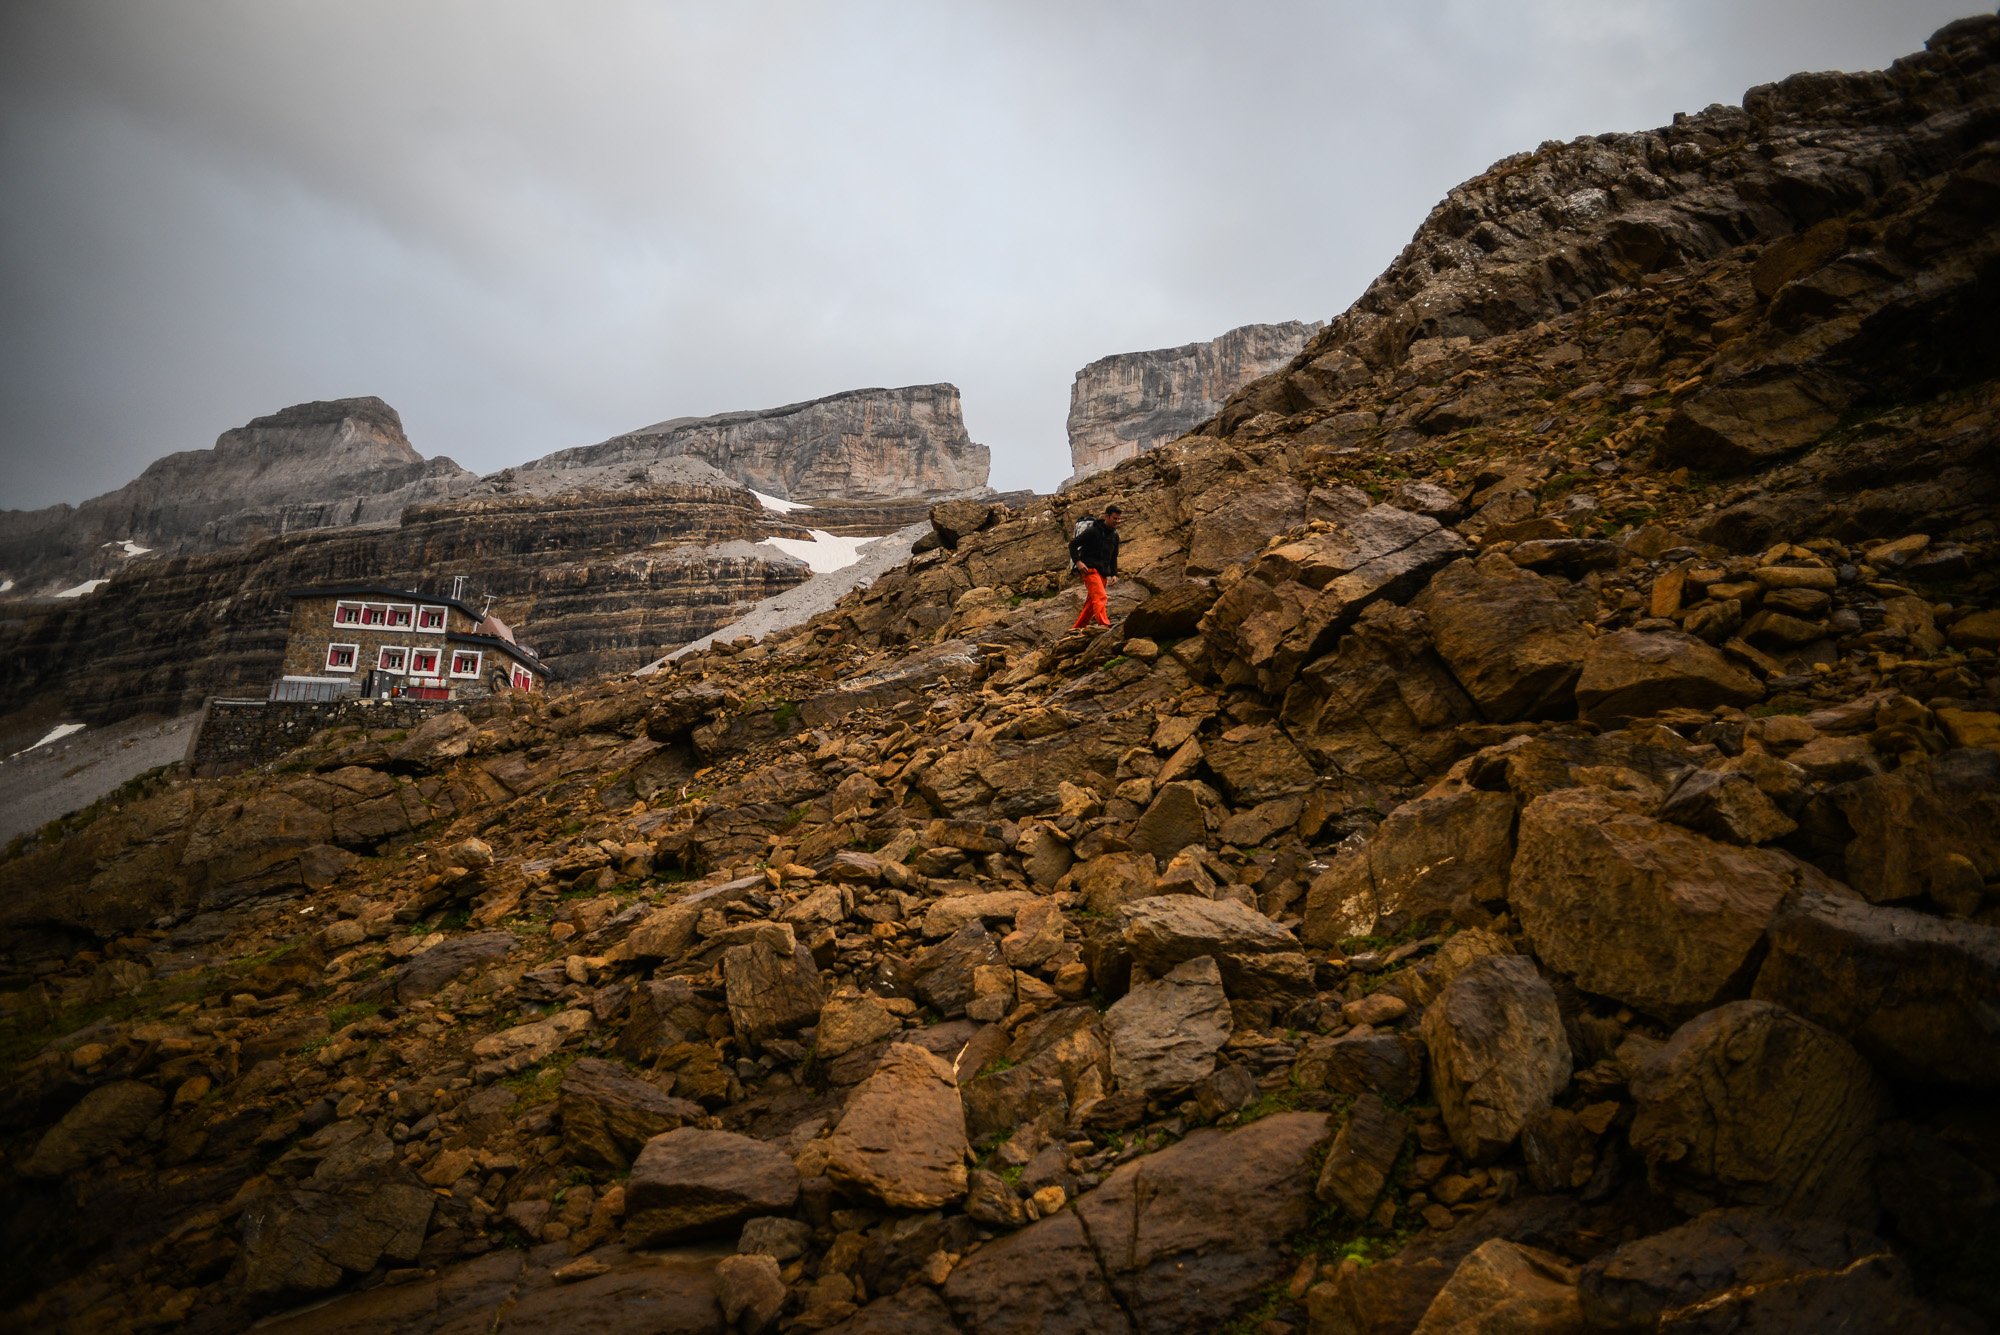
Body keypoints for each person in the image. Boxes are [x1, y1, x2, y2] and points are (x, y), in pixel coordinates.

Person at [1068, 504, 1122, 630]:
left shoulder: (1115, 536)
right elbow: (1072, 545)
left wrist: (1114, 574)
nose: (1117, 521)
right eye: (1115, 518)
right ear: (1106, 517)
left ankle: (1076, 629)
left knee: (1090, 605)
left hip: (1103, 573)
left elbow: (1113, 557)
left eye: (1119, 519)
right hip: (1090, 570)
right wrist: (1078, 562)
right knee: (1101, 597)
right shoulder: (1093, 531)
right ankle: (1104, 625)